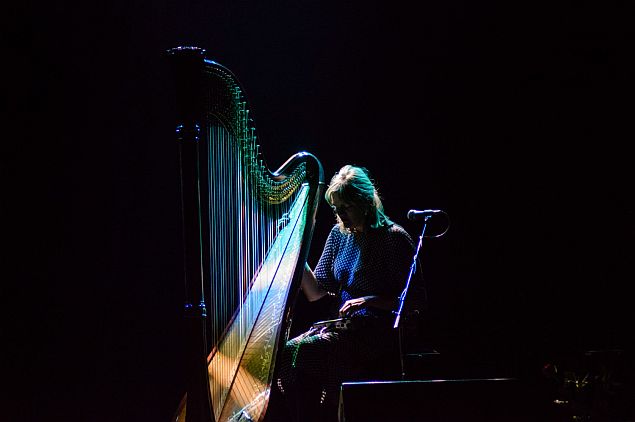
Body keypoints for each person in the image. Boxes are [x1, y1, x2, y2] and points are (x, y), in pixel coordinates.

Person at [270, 164, 425, 422]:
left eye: (346, 208)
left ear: (365, 202)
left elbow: (416, 300)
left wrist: (370, 300)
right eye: (336, 209)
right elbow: (316, 291)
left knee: (303, 352)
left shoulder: (394, 238)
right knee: (286, 356)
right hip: (344, 330)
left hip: (379, 334)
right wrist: (295, 249)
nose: (341, 216)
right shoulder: (339, 235)